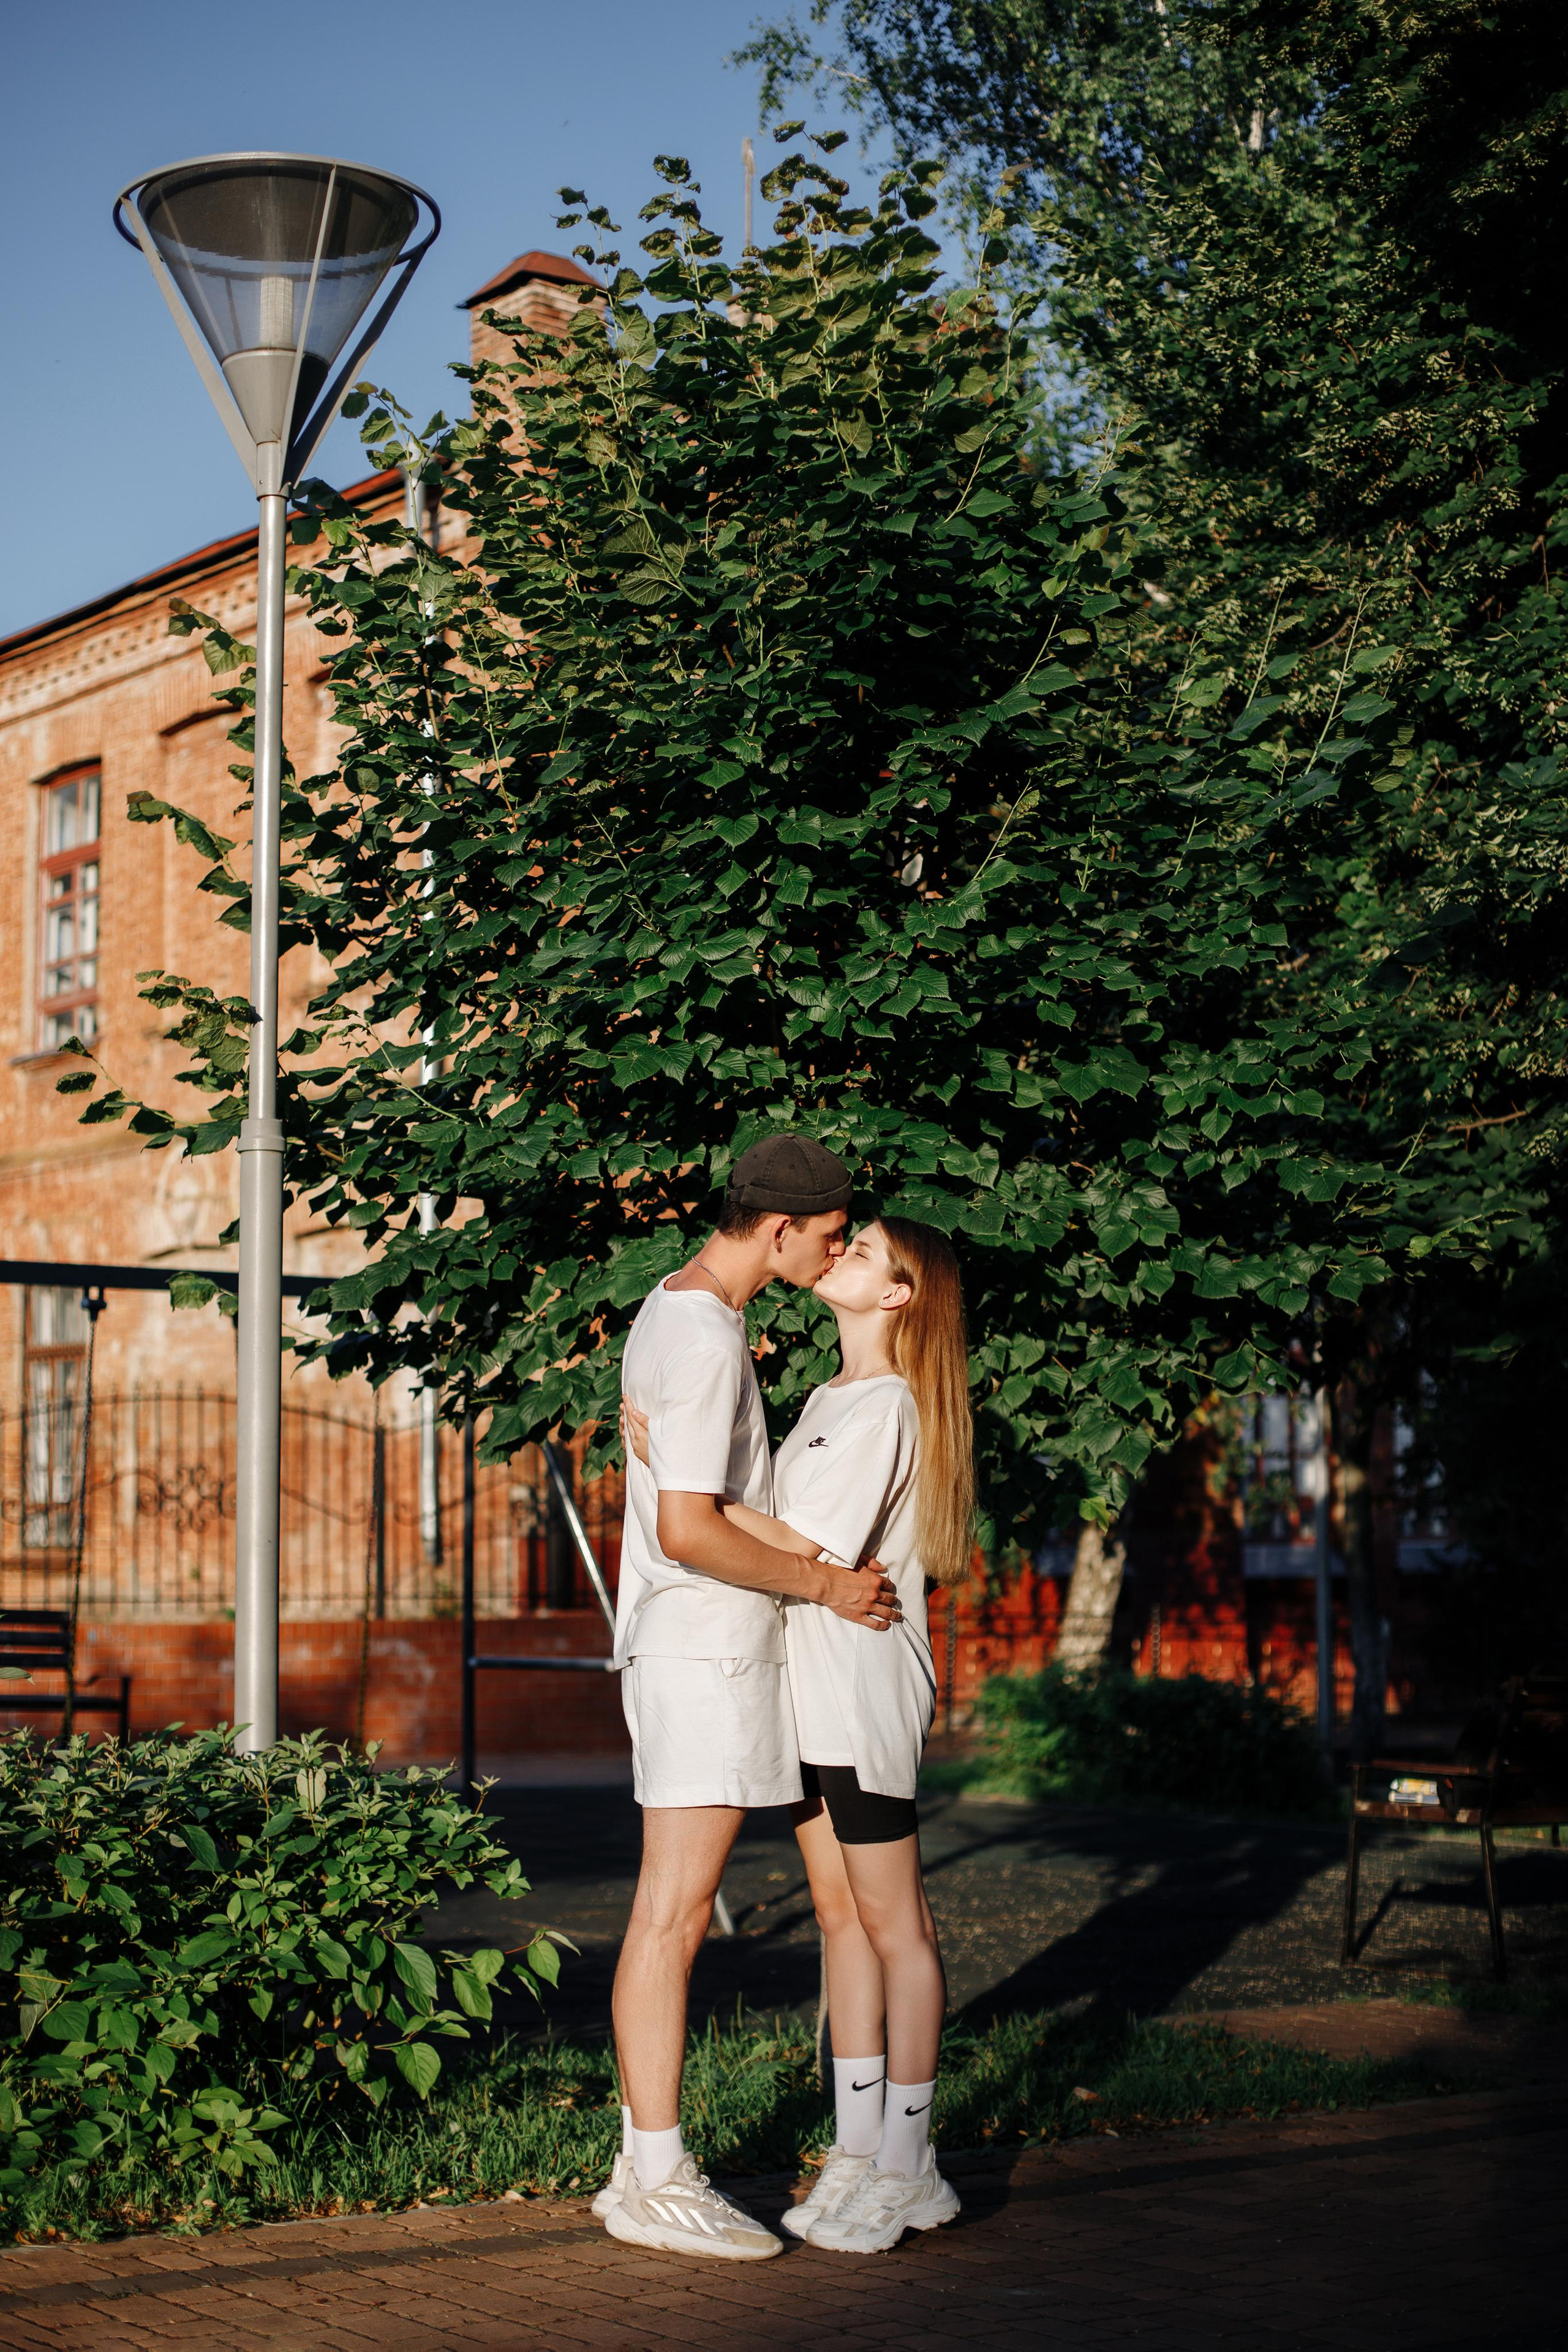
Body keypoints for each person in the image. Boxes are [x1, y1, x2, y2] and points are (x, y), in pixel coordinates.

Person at [623, 1215, 974, 2255]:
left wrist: (685, 1477)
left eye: (862, 1253)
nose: (840, 1256)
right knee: (839, 1917)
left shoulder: (889, 1403)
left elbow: (806, 1544)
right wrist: (689, 1477)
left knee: (895, 1925)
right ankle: (858, 2149)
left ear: (899, 1295)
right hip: (808, 1687)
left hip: (859, 1688)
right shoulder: (828, 1397)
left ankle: (909, 2164)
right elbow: (771, 1526)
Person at [597, 1134, 902, 2263]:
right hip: (705, 1653)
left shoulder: (672, 1310)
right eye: (829, 1236)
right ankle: (656, 2177)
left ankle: (641, 2167)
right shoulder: (705, 1337)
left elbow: (697, 1499)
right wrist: (825, 1583)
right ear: (779, 1230)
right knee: (672, 1916)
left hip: (703, 1650)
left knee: (668, 1913)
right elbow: (687, 1530)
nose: (834, 1254)